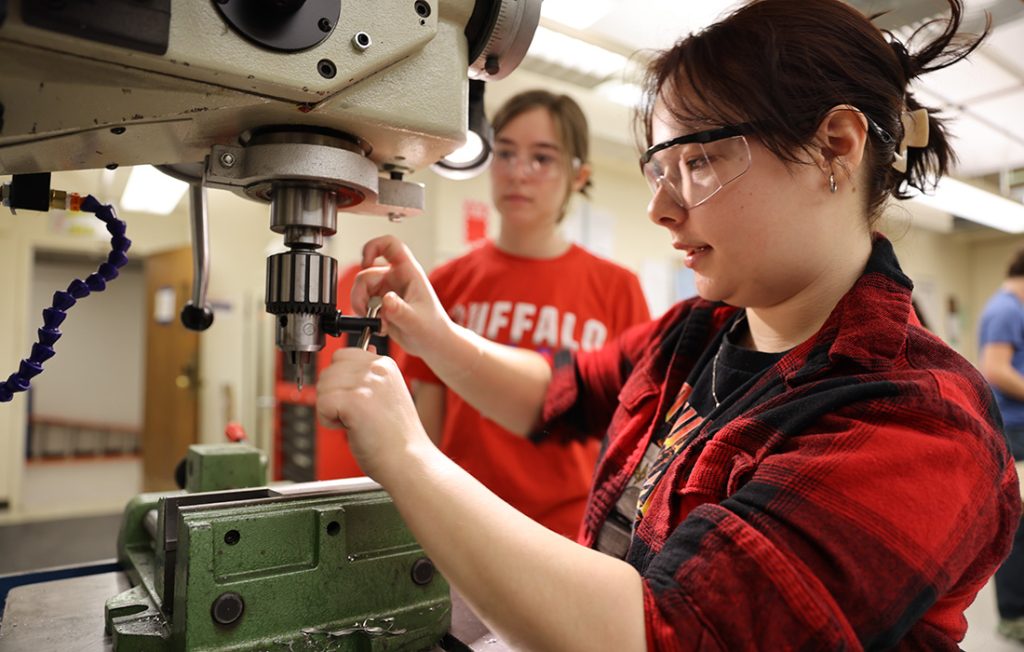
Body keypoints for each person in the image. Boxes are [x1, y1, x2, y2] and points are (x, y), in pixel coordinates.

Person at [316, 0, 1021, 648]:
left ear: (835, 144)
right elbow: (555, 396)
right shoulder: (700, 331)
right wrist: (432, 331)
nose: (661, 209)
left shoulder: (919, 422)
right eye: (661, 168)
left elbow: (664, 636)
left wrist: (409, 458)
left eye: (701, 160)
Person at [402, 89, 650, 538]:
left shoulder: (617, 288)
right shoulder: (445, 283)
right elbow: (427, 430)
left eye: (542, 159)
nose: (519, 173)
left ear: (579, 176)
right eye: (506, 154)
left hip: (568, 532)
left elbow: (630, 430)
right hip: (464, 526)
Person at [978, 250, 1024, 642]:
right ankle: (1014, 615)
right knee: (1019, 524)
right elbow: (994, 369)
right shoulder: (1006, 309)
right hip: (1016, 432)